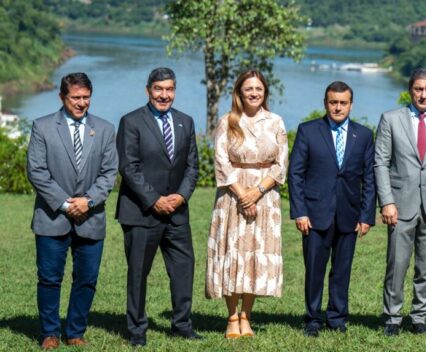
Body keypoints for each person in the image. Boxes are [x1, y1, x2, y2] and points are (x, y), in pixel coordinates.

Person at [27, 72, 118, 349]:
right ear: (62, 97)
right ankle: (50, 333)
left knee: (87, 279)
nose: (81, 103)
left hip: (91, 217)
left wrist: (88, 201)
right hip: (52, 217)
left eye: (86, 97)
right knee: (49, 278)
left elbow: (109, 172)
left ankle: (75, 331)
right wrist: (67, 203)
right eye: (75, 98)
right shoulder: (42, 127)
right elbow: (37, 171)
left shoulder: (104, 129)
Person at [116, 67, 201, 346]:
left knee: (184, 269)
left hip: (177, 212)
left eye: (170, 89)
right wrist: (155, 199)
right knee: (139, 273)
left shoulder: (185, 122)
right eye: (159, 89)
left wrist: (181, 196)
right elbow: (129, 167)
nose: (164, 95)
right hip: (141, 213)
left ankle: (182, 325)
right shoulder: (131, 121)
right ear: (148, 90)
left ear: (175, 90)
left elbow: (192, 167)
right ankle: (137, 330)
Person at [288, 81, 376, 337]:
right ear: (325, 103)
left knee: (342, 269)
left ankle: (337, 317)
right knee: (314, 268)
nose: (338, 107)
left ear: (351, 104)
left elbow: (369, 179)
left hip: (349, 213)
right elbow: (295, 174)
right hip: (315, 215)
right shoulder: (308, 131)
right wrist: (300, 212)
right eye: (333, 102)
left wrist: (366, 215)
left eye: (343, 103)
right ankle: (313, 318)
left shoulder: (364, 135)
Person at [205, 70, 288, 339]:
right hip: (232, 195)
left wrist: (258, 191)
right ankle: (231, 317)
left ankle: (246, 316)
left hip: (266, 196)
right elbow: (220, 160)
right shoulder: (227, 121)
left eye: (258, 89)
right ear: (239, 92)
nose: (254, 93)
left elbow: (281, 164)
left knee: (254, 255)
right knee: (233, 254)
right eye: (248, 89)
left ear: (265, 92)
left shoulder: (276, 122)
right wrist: (243, 194)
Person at [375, 68, 426, 337]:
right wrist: (386, 201)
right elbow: (381, 162)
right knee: (397, 264)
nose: (423, 95)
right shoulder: (390, 119)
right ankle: (392, 317)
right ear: (410, 90)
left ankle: (420, 317)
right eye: (418, 89)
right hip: (399, 204)